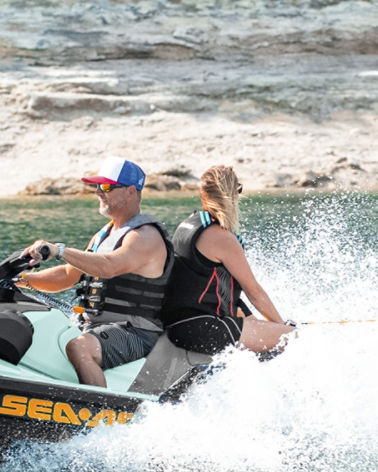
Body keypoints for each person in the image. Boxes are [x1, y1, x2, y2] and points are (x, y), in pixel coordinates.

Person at [18, 156, 172, 386]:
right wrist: (21, 279)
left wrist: (58, 249)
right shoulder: (105, 234)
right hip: (96, 325)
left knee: (80, 347)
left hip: (136, 332)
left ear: (131, 191)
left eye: (107, 186)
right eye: (96, 186)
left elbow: (110, 267)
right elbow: (67, 276)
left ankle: (100, 416)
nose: (99, 192)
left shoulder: (145, 237)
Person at [160, 165, 295, 357]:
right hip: (202, 328)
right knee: (294, 339)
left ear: (203, 194)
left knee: (258, 327)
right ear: (233, 194)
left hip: (179, 324)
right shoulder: (222, 238)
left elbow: (214, 288)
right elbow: (254, 292)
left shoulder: (188, 225)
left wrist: (260, 323)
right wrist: (282, 326)